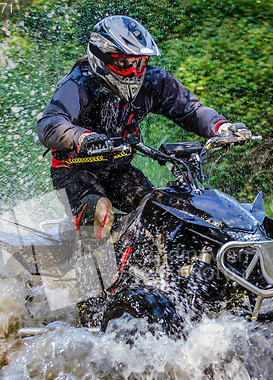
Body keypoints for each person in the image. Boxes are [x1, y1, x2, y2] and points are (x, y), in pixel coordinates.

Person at [37, 15, 252, 240]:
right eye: (122, 63)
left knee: (162, 210)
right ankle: (89, 264)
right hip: (74, 169)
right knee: (100, 212)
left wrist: (222, 126)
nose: (132, 71)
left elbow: (191, 110)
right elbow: (50, 124)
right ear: (100, 57)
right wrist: (82, 137)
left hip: (118, 169)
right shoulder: (78, 84)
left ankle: (151, 270)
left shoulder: (153, 81)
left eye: (138, 63)